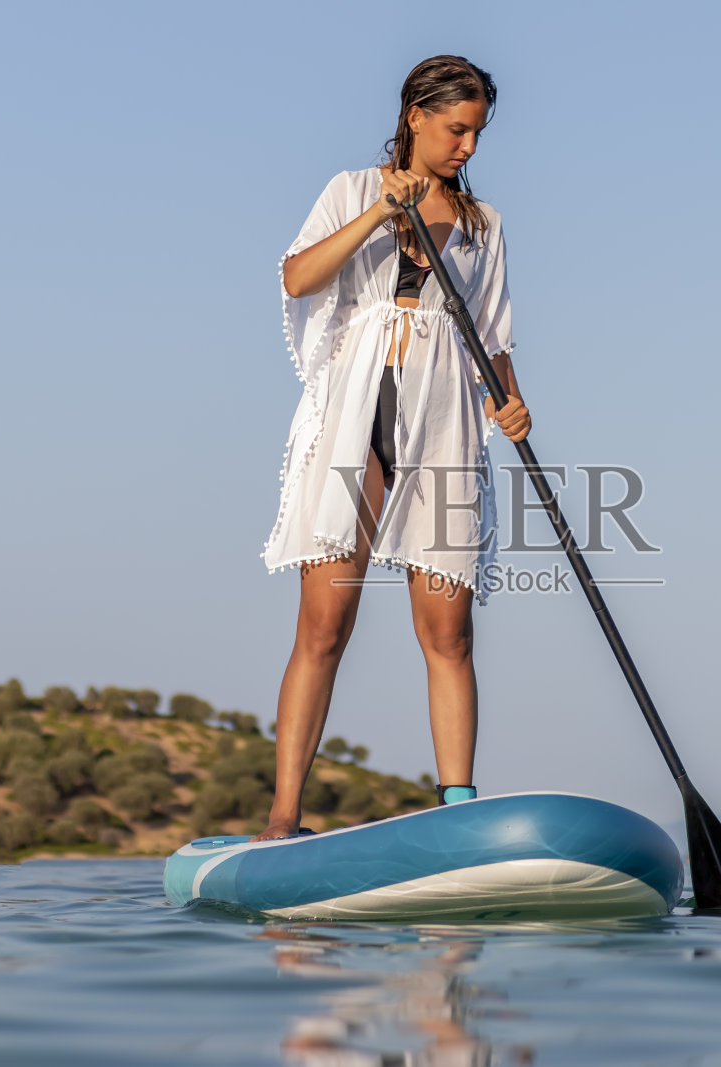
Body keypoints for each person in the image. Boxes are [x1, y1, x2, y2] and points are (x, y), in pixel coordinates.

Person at [256, 55, 530, 841]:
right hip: (357, 415)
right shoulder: (350, 188)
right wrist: (381, 211)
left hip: (441, 417)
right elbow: (299, 278)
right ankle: (283, 818)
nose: (468, 147)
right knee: (326, 623)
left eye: (477, 132)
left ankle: (458, 814)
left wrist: (509, 403)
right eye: (456, 129)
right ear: (416, 115)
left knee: (450, 629)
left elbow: (494, 339)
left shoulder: (485, 227)